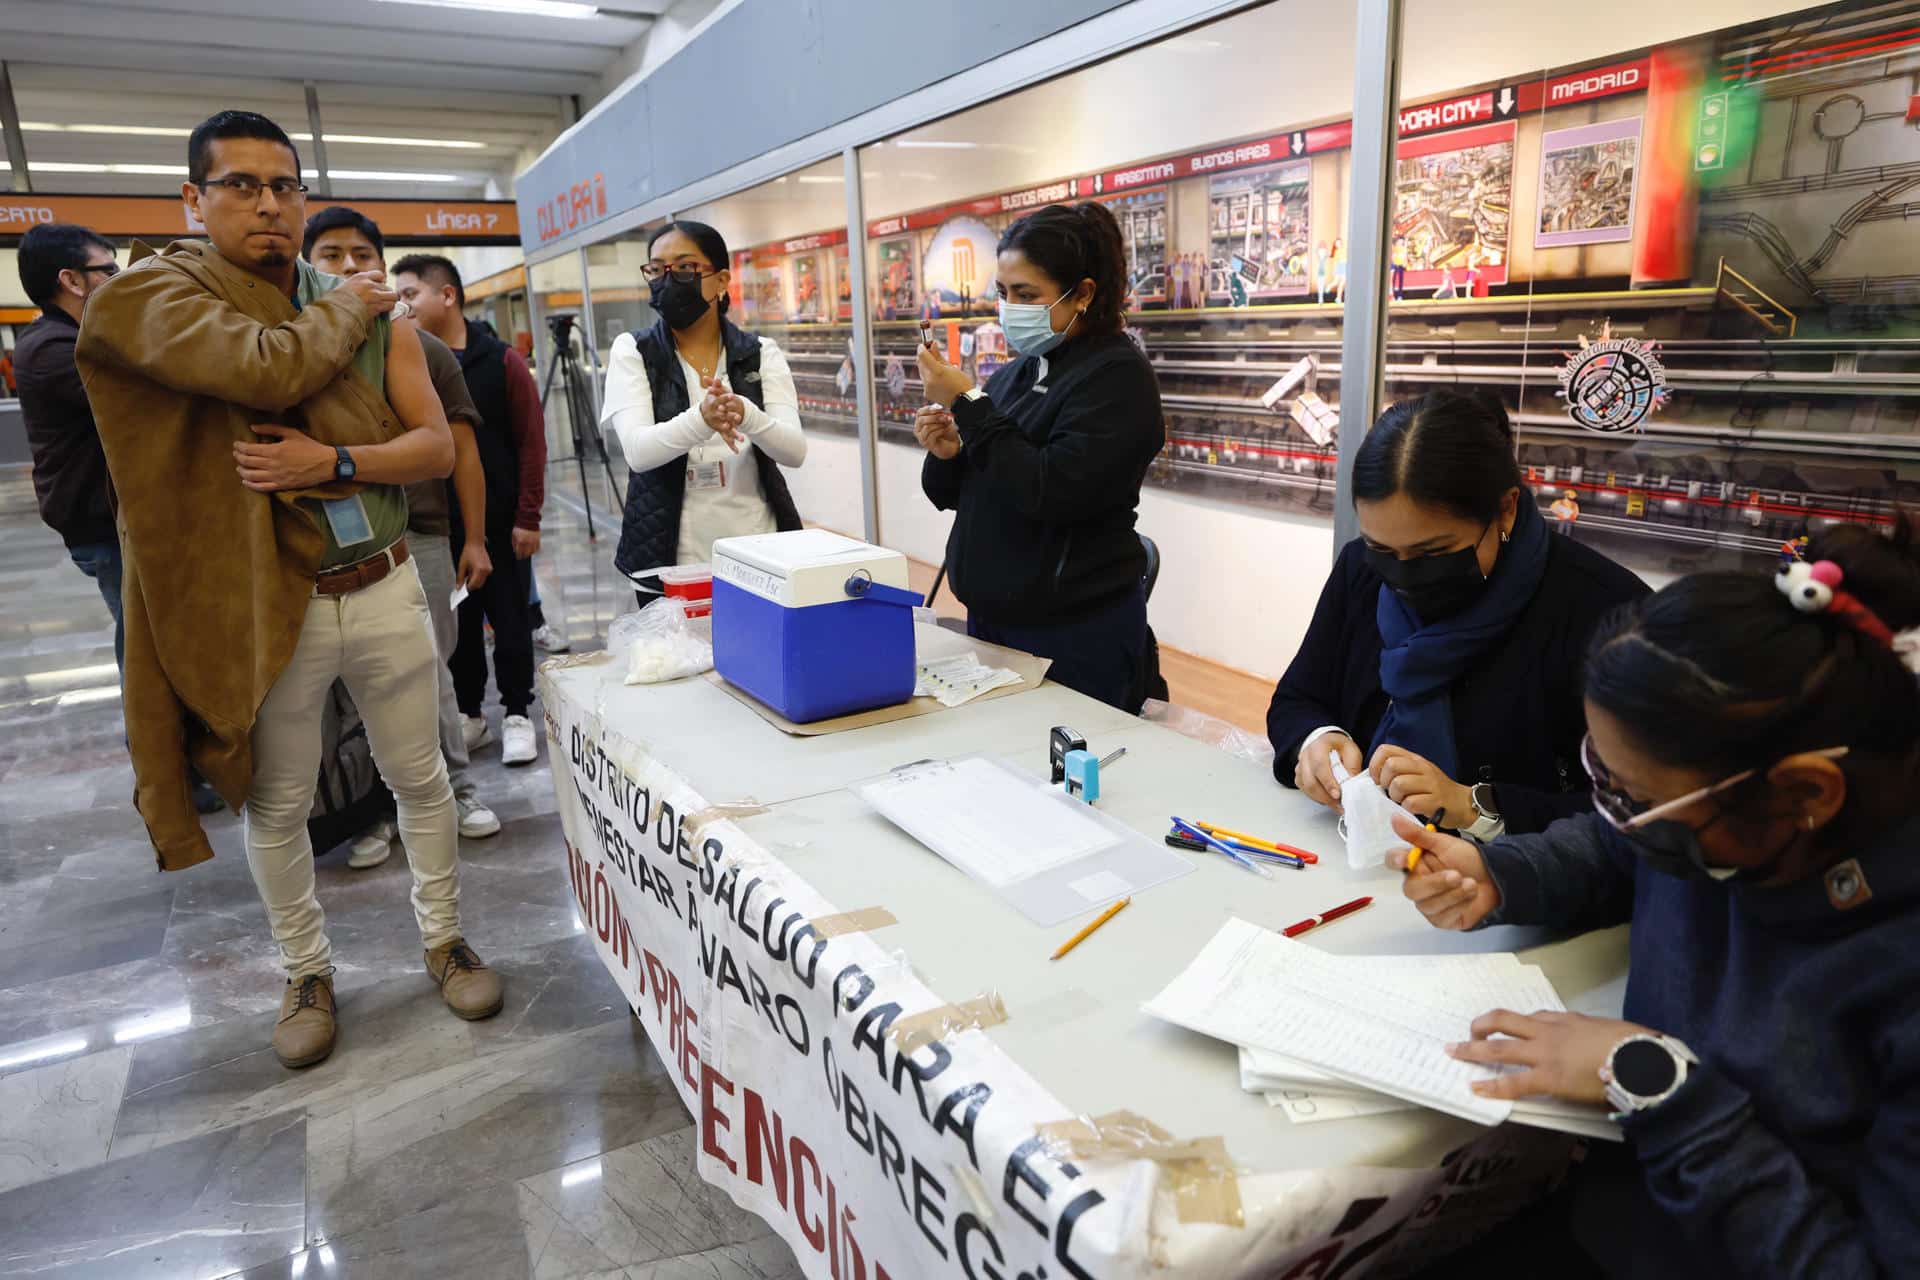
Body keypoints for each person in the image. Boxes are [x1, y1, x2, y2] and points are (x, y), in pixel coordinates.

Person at [76, 110, 503, 1068]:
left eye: (284, 185)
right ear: (193, 199)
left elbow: (435, 445)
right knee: (277, 804)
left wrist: (337, 460)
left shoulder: (365, 313)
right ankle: (305, 972)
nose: (267, 204)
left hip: (385, 580)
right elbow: (262, 372)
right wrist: (353, 311)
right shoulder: (158, 300)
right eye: (240, 185)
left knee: (421, 779)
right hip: (274, 598)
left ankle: (444, 940)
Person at [1392, 523, 1920, 1277]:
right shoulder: (1727, 826)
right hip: (1611, 1212)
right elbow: (1615, 849)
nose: (1614, 810)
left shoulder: (1896, 968)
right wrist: (1500, 871)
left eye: (1633, 795)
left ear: (1807, 790)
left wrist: (1655, 1081)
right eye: (1602, 777)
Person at [1267, 388, 1646, 839]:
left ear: (1505, 510)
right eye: (1383, 549)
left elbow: (1636, 812)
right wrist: (1316, 741)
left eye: (1434, 552)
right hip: (1356, 857)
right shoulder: (1360, 572)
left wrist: (1474, 807)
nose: (1403, 576)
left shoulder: (1607, 614)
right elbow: (1297, 699)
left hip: (1510, 886)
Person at [302, 207, 502, 858]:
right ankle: (372, 811)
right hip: (323, 547)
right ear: (307, 266)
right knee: (346, 685)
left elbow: (461, 454)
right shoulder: (289, 348)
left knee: (427, 673)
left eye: (363, 253)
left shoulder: (421, 346)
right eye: (331, 255)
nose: (350, 266)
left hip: (419, 532)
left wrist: (475, 539)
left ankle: (459, 790)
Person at [913, 201, 1165, 713]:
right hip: (994, 627)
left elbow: (1050, 490)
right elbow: (956, 493)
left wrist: (968, 404)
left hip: (1074, 636)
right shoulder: (1017, 374)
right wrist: (948, 453)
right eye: (1003, 294)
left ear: (1083, 295)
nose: (1010, 308)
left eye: (1027, 295)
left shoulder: (1117, 378)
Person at [16, 223, 227, 817]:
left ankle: (183, 763)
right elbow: (145, 393)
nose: (117, 278)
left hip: (126, 522)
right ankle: (169, 779)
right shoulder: (53, 351)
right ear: (71, 281)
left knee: (161, 646)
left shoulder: (79, 337)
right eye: (107, 270)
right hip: (105, 530)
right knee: (147, 657)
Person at [391, 252, 546, 768]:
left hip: (501, 524)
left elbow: (530, 442)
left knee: (510, 618)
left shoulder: (501, 361)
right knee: (457, 628)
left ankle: (519, 712)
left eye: (411, 294)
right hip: (440, 526)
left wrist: (529, 515)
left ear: (448, 295)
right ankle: (471, 713)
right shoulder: (405, 361)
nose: (402, 304)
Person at [602, 220, 807, 601]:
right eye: (656, 269)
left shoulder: (760, 353)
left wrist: (747, 414)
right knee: (681, 661)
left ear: (721, 279)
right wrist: (702, 419)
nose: (667, 278)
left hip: (758, 554)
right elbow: (638, 451)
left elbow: (794, 451)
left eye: (683, 267)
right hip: (669, 562)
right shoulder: (634, 351)